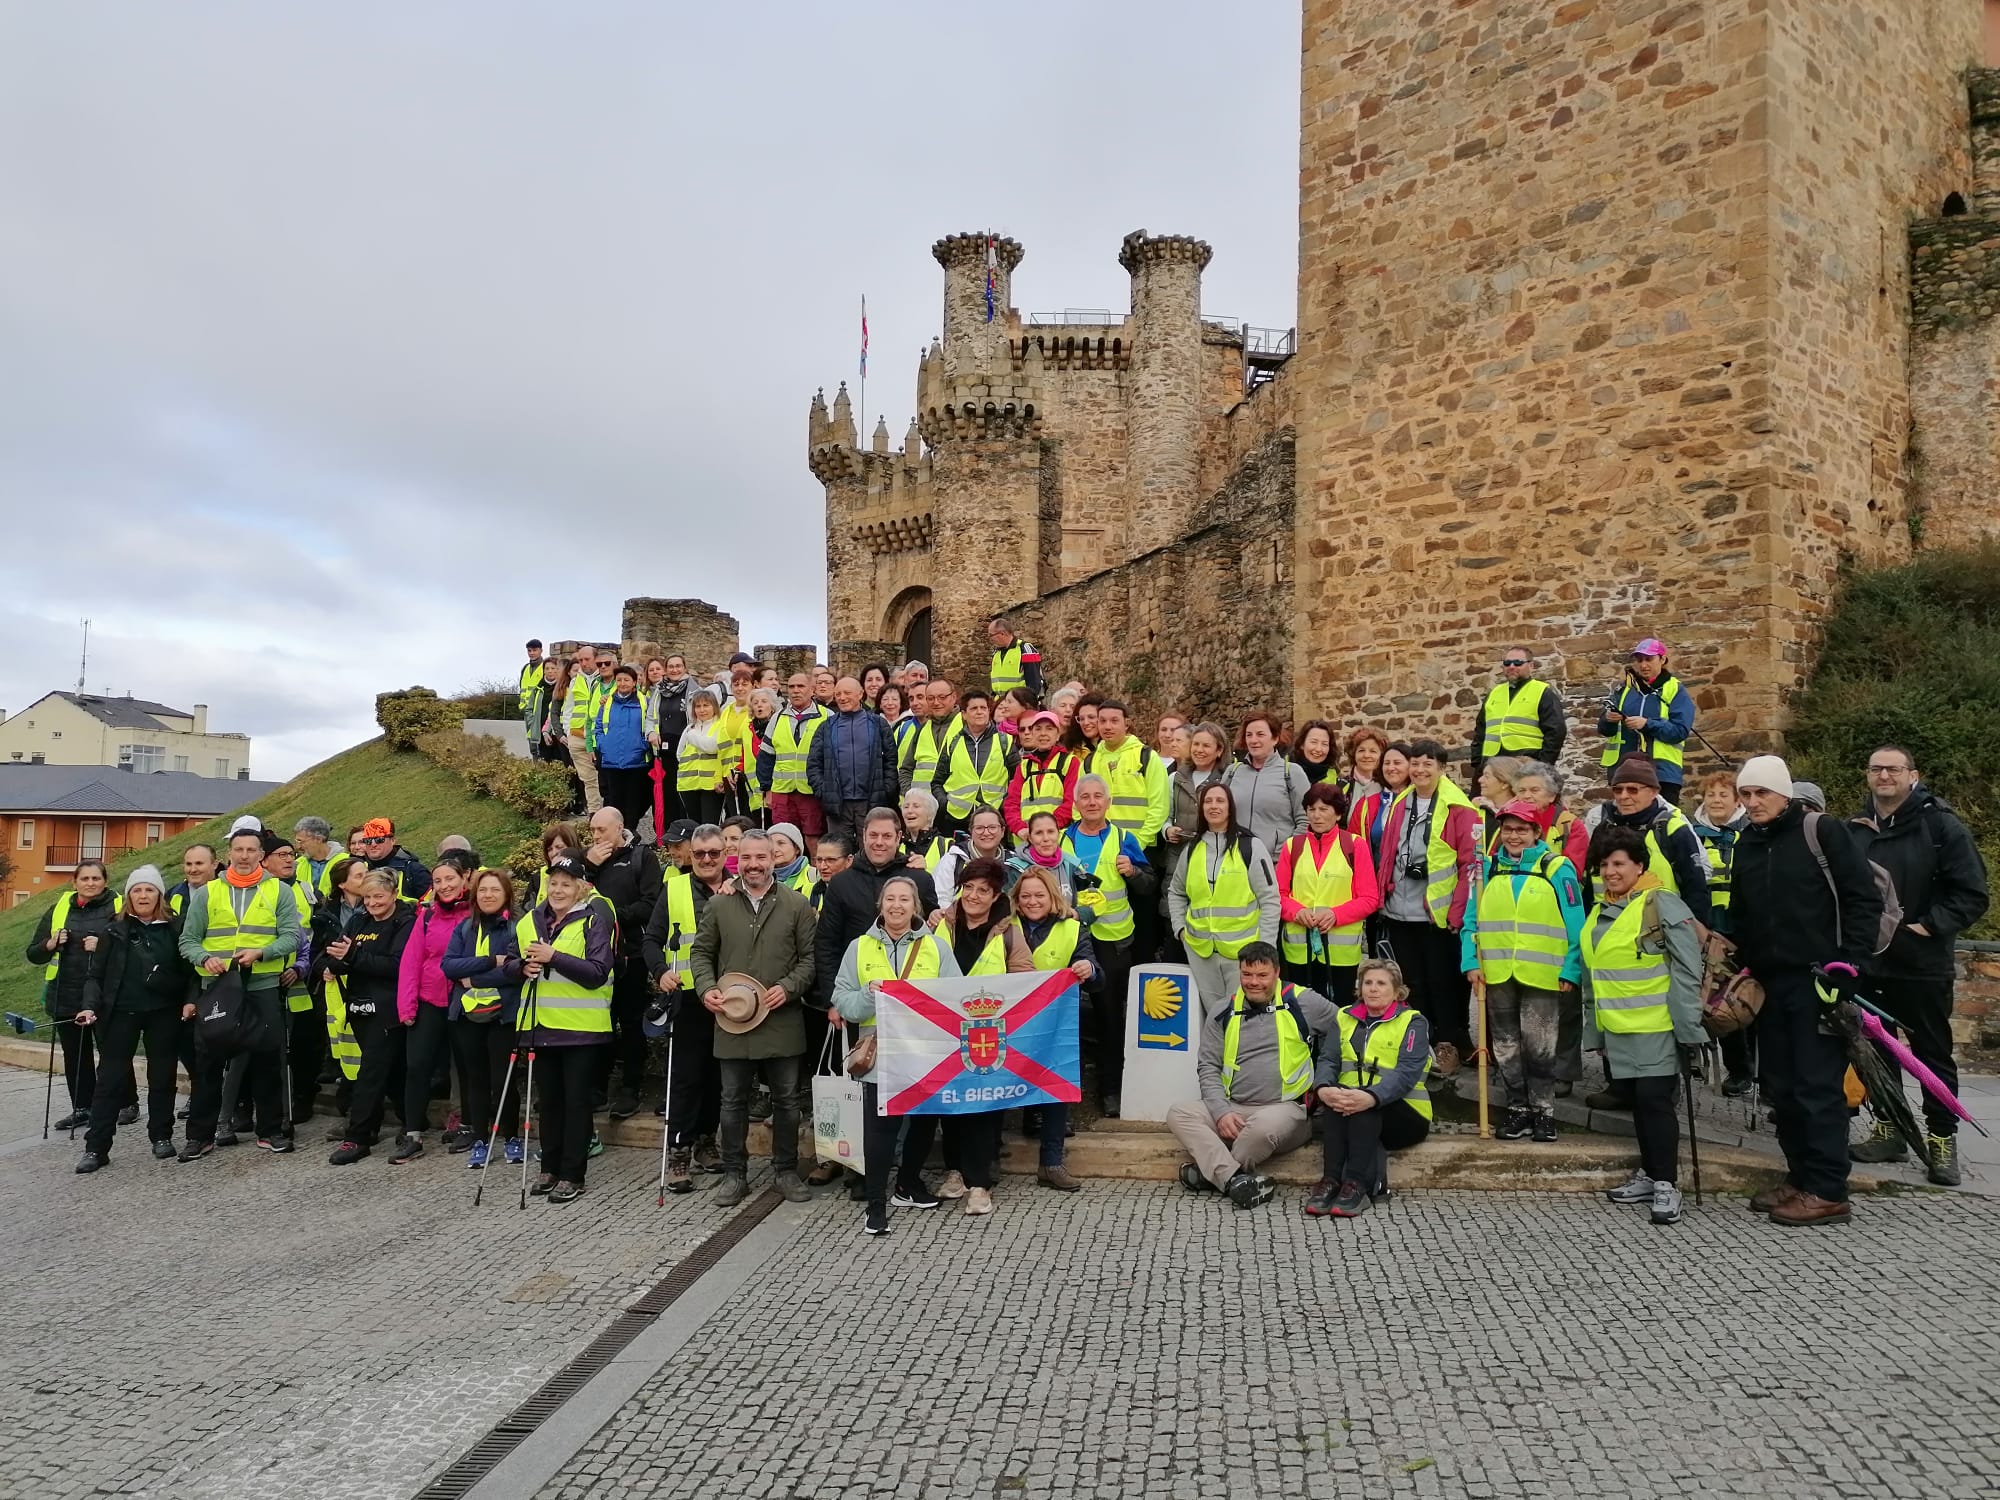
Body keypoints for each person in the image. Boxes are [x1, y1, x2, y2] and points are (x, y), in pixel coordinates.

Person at [1731, 755, 1882, 1226]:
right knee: (1782, 1086)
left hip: (1821, 979)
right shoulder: (1748, 842)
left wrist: (1850, 967)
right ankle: (1799, 1178)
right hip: (1772, 982)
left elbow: (1862, 898)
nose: (1753, 802)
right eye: (1746, 794)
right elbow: (1743, 908)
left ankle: (1828, 1189)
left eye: (1762, 794)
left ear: (1784, 795)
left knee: (1818, 1086)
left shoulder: (1822, 831)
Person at [1849, 744, 1989, 1186]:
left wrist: (1929, 926)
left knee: (1932, 1055)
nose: (1884, 776)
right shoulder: (1856, 829)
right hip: (1871, 964)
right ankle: (1889, 1129)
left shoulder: (1941, 826)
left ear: (1913, 775)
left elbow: (1971, 893)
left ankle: (1942, 1138)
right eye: (1876, 769)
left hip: (1922, 965)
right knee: (1876, 1053)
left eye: (1893, 769)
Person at [1582, 826, 1706, 1227]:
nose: (1610, 872)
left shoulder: (1662, 903)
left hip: (1656, 1025)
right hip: (1619, 1028)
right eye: (1603, 865)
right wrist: (1597, 1031)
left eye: (1618, 863)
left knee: (1654, 1102)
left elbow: (1688, 968)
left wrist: (1688, 1027)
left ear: (1639, 865)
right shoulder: (1601, 908)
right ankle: (1651, 1175)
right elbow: (1596, 974)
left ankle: (1667, 1184)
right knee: (1638, 1102)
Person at [692, 829, 818, 1207]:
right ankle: (734, 1174)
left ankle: (785, 1171)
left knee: (787, 1101)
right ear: (737, 860)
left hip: (782, 1017)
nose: (754, 865)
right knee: (731, 1101)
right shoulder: (718, 905)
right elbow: (700, 953)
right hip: (732, 1017)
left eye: (760, 857)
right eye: (746, 858)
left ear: (773, 859)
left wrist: (790, 986)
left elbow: (811, 960)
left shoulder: (797, 905)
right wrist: (705, 988)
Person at [831, 875, 963, 1235]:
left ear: (915, 906)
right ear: (880, 904)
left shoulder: (937, 948)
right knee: (881, 1132)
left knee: (922, 1122)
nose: (897, 906)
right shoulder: (859, 947)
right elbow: (842, 999)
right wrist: (867, 995)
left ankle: (907, 1185)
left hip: (923, 1053)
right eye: (890, 898)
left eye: (905, 899)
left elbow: (955, 997)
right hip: (879, 1055)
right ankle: (876, 1204)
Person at [1169, 941, 1338, 1209]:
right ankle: (1235, 1179)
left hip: (1286, 1109)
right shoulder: (1223, 1009)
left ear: (1277, 972)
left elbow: (1346, 1029)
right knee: (1179, 1113)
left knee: (1262, 1129)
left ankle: (1211, 1173)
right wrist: (1220, 1111)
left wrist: (1328, 1076)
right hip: (1235, 1109)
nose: (1253, 982)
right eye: (1247, 974)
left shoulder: (1304, 1001)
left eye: (1262, 975)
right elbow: (1208, 1066)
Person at [1460, 800, 1585, 1142]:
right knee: (1505, 1046)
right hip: (1497, 973)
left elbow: (1577, 924)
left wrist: (1572, 969)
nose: (1514, 836)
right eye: (1508, 829)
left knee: (1540, 1048)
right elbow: (1471, 919)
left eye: (1521, 829)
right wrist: (1470, 961)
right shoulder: (1486, 869)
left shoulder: (1557, 868)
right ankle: (1518, 1109)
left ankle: (1544, 1112)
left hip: (1544, 975)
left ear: (1535, 833)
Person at [177, 828, 304, 1158]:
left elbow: (294, 937)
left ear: (262, 854)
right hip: (217, 988)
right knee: (208, 1065)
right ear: (229, 854)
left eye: (251, 850)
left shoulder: (280, 891)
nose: (245, 855)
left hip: (262, 986)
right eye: (238, 849)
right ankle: (200, 1135)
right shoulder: (208, 893)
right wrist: (205, 958)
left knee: (266, 1062)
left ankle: (270, 1130)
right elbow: (187, 941)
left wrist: (262, 953)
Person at [929, 857, 1035, 1214]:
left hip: (988, 1034)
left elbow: (1024, 976)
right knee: (950, 1107)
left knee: (983, 1107)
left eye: (983, 890)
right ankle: (955, 1171)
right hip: (945, 1031)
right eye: (969, 888)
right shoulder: (941, 924)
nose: (974, 896)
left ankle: (980, 1183)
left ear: (995, 896)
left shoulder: (1008, 932)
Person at [513, 853, 616, 1203]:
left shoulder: (593, 922)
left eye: (566, 884)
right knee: (550, 1102)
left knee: (576, 1103)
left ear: (581, 888)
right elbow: (512, 961)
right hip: (540, 1027)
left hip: (581, 1030)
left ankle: (573, 1174)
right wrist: (518, 969)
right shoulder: (528, 921)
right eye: (553, 882)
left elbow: (598, 972)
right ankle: (550, 1167)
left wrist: (553, 957)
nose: (558, 889)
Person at [1372, 739, 1480, 1073]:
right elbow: (1390, 851)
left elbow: (1468, 864)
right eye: (1415, 763)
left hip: (1439, 913)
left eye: (1427, 764)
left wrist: (1459, 911)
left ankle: (1448, 1044)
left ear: (1442, 768)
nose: (1420, 770)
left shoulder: (1458, 807)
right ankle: (1421, 1041)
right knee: (1413, 982)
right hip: (1400, 908)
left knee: (1444, 982)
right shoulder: (1402, 801)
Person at [74, 867, 187, 1170]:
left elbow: (188, 973)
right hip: (121, 1013)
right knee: (109, 1081)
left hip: (163, 1013)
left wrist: (190, 1002)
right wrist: (88, 1006)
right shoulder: (115, 930)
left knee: (162, 1077)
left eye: (149, 890)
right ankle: (97, 1148)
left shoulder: (175, 928)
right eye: (136, 890)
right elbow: (95, 976)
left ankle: (161, 1136)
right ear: (128, 896)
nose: (143, 895)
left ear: (159, 895)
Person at [1306, 957, 1435, 1217]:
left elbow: (1406, 1074)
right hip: (1352, 1106)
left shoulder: (1413, 1022)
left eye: (1381, 983)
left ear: (1397, 991)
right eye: (1367, 983)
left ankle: (1356, 1185)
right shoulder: (1343, 1017)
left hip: (1406, 1115)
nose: (1373, 989)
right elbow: (1328, 1059)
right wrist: (1323, 1089)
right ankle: (1330, 1181)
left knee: (1363, 1108)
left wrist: (1371, 1096)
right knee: (1337, 1104)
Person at [645, 822, 732, 1191]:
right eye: (700, 854)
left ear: (726, 854)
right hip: (688, 996)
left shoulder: (740, 887)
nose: (707, 859)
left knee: (717, 1079)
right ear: (690, 855)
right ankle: (678, 1151)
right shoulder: (674, 888)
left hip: (729, 998)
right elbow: (650, 940)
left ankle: (705, 1141)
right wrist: (661, 971)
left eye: (714, 853)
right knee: (685, 1079)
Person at [1063, 775, 1151, 1116]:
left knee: (1111, 1019)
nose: (1092, 802)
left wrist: (1134, 873)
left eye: (1098, 796)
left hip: (1113, 941)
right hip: (1069, 941)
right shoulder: (1061, 840)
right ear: (1076, 803)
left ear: (1108, 802)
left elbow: (1147, 888)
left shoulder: (1123, 838)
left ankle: (1111, 1091)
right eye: (1085, 796)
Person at [387, 850, 476, 1162]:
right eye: (438, 881)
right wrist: (406, 1007)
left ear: (464, 879)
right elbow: (411, 962)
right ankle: (412, 1133)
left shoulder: (475, 914)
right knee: (417, 1066)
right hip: (428, 999)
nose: (444, 885)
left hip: (463, 1000)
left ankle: (468, 1124)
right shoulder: (426, 917)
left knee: (464, 1066)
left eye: (449, 879)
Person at [323, 871, 415, 1164]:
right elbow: (336, 954)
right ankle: (411, 1122)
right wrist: (332, 964)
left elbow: (397, 966)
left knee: (371, 1073)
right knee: (392, 1072)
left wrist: (353, 957)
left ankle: (357, 1137)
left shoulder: (405, 921)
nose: (373, 903)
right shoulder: (359, 919)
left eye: (379, 897)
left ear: (394, 894)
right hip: (360, 1007)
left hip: (389, 1009)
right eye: (367, 897)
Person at [1169, 782, 1281, 1020]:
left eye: (1220, 801)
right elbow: (1176, 892)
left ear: (1231, 807)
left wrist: (1265, 950)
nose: (1213, 806)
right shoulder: (1192, 849)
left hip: (1243, 956)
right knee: (1214, 1019)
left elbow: (1270, 900)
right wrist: (1180, 929)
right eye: (1208, 801)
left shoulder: (1251, 846)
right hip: (1201, 953)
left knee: (1244, 1019)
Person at [1009, 864, 1090, 1191]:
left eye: (1039, 895)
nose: (1031, 901)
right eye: (1025, 895)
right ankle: (986, 1162)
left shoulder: (1072, 928)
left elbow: (1095, 969)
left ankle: (1052, 1163)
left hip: (1053, 1024)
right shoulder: (1004, 926)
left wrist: (1089, 968)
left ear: (1052, 896)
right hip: (1010, 1022)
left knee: (1056, 1086)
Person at [26, 859, 120, 1133]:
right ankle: (82, 1108)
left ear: (105, 881)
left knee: (112, 1052)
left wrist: (103, 945)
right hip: (65, 993)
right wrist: (51, 943)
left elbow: (133, 946)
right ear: (74, 882)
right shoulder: (58, 909)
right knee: (76, 1057)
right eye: (85, 879)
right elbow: (33, 953)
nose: (91, 884)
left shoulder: (118, 906)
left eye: (96, 879)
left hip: (105, 993)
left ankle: (125, 1104)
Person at [440, 868, 525, 1170]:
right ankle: (480, 1138)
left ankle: (512, 1137)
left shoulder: (516, 928)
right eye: (483, 890)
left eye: (495, 890)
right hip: (466, 1015)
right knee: (475, 1079)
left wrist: (474, 979)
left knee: (503, 1081)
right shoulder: (464, 928)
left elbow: (515, 971)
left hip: (503, 1015)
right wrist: (489, 961)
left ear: (506, 895)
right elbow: (449, 966)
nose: (488, 895)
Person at [583, 806, 664, 1121]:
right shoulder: (589, 860)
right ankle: (597, 1088)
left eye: (601, 830)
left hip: (631, 954)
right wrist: (590, 866)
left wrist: (611, 915)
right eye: (592, 831)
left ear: (619, 828)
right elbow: (574, 894)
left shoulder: (642, 857)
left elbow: (649, 903)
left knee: (630, 1023)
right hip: (593, 956)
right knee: (599, 1023)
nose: (596, 836)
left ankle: (630, 1088)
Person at [1568, 758, 1712, 923]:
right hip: (1608, 926)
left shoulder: (1672, 829)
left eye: (1633, 790)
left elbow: (1696, 890)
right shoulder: (1602, 829)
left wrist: (1694, 934)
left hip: (1659, 930)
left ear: (1653, 792)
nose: (1623, 796)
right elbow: (1589, 886)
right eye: (1617, 790)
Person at [1276, 782, 1380, 1008]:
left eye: (1324, 809)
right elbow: (1278, 895)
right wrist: (1297, 912)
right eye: (1311, 809)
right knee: (1299, 1010)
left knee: (1339, 1012)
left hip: (1340, 953)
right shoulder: (1292, 846)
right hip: (1299, 950)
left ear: (1338, 813)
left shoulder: (1355, 846)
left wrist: (1335, 914)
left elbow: (1370, 898)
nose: (1316, 815)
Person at [1689, 769, 1754, 1095]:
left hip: (1743, 928)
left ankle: (1747, 1069)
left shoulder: (1749, 833)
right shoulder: (1692, 834)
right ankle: (1709, 1061)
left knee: (1743, 998)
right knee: (1712, 999)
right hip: (1707, 928)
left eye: (1723, 795)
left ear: (1737, 800)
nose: (1716, 800)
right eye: (1711, 794)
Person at [808, 675, 900, 848]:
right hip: (838, 805)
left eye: (847, 693)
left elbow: (891, 761)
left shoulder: (878, 724)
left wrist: (886, 790)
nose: (842, 698)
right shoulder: (826, 727)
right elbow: (813, 764)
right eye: (838, 694)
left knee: (872, 850)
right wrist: (824, 791)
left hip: (871, 802)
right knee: (839, 853)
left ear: (860, 694)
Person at [1596, 637, 1694, 802]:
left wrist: (1647, 724)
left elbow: (1680, 731)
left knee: (1662, 825)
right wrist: (1608, 719)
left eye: (1649, 659)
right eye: (1639, 660)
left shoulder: (1676, 689)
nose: (1643, 665)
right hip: (1624, 772)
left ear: (1662, 660)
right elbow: (1604, 730)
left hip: (1663, 774)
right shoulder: (1624, 689)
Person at [308, 857, 368, 1120]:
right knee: (345, 1047)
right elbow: (315, 954)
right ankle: (351, 1106)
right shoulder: (325, 914)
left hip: (368, 984)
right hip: (336, 990)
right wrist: (326, 966)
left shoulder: (376, 906)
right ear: (342, 883)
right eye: (359, 875)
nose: (366, 879)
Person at [1471, 645, 1566, 782]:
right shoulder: (1494, 693)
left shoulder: (1542, 692)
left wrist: (1543, 764)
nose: (1511, 666)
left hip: (1524, 764)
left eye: (1518, 663)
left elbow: (1556, 731)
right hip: (1490, 764)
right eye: (1507, 663)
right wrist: (1477, 761)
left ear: (1531, 666)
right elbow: (1480, 730)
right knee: (1481, 802)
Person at [760, 672, 831, 854]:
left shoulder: (827, 716)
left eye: (801, 686)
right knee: (783, 838)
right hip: (782, 791)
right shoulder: (777, 718)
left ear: (812, 690)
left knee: (813, 837)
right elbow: (766, 756)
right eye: (791, 687)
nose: (795, 691)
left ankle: (815, 877)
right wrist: (766, 789)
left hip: (812, 791)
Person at [1223, 712, 1307, 856]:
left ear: (1275, 738)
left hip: (1275, 862)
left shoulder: (1292, 773)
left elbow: (1305, 820)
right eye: (1249, 735)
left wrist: (1287, 852)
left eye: (1260, 734)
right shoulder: (1232, 772)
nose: (1253, 740)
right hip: (1234, 859)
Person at [933, 689, 1014, 836]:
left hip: (994, 816)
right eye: (974, 708)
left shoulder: (1005, 741)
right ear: (964, 714)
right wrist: (945, 804)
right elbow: (937, 782)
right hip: (957, 817)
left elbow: (1017, 780)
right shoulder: (953, 742)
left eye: (983, 708)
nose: (979, 712)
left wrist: (1004, 804)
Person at [592, 664, 655, 836]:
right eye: (619, 680)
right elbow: (598, 726)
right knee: (614, 801)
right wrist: (603, 745)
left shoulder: (644, 702)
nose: (622, 683)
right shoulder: (607, 703)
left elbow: (651, 724)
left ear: (634, 682)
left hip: (636, 761)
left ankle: (630, 833)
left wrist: (643, 746)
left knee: (634, 801)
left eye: (627, 679)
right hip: (611, 761)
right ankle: (615, 835)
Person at [1003, 710, 1078, 839]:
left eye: (1049, 729)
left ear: (1058, 734)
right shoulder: (1024, 766)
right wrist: (1019, 828)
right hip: (1026, 840)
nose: (1043, 734)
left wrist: (1047, 828)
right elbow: (1011, 803)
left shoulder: (1070, 762)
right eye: (1038, 729)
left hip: (1057, 838)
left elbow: (1071, 802)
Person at [1163, 722, 1229, 853]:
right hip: (1178, 853)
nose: (1199, 750)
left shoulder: (1227, 780)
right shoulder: (1175, 778)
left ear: (1219, 750)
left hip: (1213, 852)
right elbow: (1166, 815)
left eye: (1206, 746)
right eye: (1196, 744)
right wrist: (1167, 829)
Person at [647, 654, 695, 831]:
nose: (675, 670)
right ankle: (666, 835)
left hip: (686, 750)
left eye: (678, 666)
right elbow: (650, 717)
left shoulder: (693, 690)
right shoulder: (659, 691)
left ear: (685, 668)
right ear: (666, 670)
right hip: (664, 751)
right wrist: (651, 732)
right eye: (671, 667)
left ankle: (686, 833)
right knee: (666, 795)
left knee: (682, 794)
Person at [1007, 811, 1092, 908]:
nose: (1046, 838)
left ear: (1058, 835)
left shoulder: (1071, 865)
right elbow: (1010, 910)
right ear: (1030, 838)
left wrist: (1078, 915)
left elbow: (1092, 901)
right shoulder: (1015, 869)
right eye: (1039, 833)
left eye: (1051, 832)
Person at [935, 806, 1012, 908]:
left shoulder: (1013, 863)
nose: (986, 832)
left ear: (1002, 831)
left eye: (992, 827)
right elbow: (941, 899)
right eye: (979, 828)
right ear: (971, 831)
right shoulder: (953, 860)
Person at [900, 677, 963, 795]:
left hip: (956, 806)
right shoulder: (922, 729)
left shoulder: (967, 725)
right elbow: (906, 770)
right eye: (930, 698)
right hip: (923, 807)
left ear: (953, 697)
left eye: (942, 697)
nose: (936, 702)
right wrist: (910, 794)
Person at [563, 644, 606, 814]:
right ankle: (594, 814)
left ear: (596, 659)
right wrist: (568, 731)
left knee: (604, 779)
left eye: (587, 659)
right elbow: (568, 709)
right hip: (577, 736)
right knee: (588, 779)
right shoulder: (575, 681)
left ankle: (610, 814)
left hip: (598, 736)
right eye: (580, 660)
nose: (583, 663)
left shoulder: (605, 679)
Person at [677, 687, 729, 827]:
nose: (702, 710)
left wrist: (693, 737)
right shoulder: (689, 729)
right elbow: (679, 754)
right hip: (688, 784)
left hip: (712, 785)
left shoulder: (720, 726)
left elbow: (712, 747)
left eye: (706, 705)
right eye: (698, 706)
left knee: (710, 825)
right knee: (693, 825)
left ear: (714, 707)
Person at [356, 818, 432, 901]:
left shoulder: (414, 870)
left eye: (379, 840)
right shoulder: (360, 870)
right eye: (368, 841)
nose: (373, 844)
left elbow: (431, 906)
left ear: (392, 840)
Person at [1338, 727, 1390, 836]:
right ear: (1354, 754)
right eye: (1361, 750)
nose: (1367, 755)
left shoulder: (1388, 786)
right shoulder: (1341, 786)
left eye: (1373, 751)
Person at [987, 614, 1044, 701]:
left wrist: (1029, 703)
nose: (990, 639)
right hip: (1000, 703)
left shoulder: (1025, 649)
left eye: (991, 635)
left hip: (1020, 702)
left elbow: (1034, 682)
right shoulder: (996, 653)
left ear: (1002, 633)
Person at [900, 786, 949, 872]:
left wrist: (925, 870)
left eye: (916, 806)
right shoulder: (896, 845)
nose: (909, 811)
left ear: (930, 814)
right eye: (906, 807)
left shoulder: (947, 846)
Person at [292, 817, 341, 894]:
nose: (298, 847)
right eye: (297, 841)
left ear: (319, 839)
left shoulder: (345, 862)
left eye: (301, 841)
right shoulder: (296, 865)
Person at [1290, 720, 1340, 787]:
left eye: (1324, 744)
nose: (1318, 749)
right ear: (1302, 744)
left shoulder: (1337, 781)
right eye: (1314, 742)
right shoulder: (1285, 773)